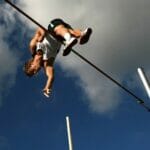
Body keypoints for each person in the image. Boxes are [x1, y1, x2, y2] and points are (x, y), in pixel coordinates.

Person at [24, 27, 61, 97]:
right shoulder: (46, 65)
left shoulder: (33, 47)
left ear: (31, 64)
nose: (36, 72)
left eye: (33, 71)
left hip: (55, 29)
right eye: (34, 73)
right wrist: (47, 87)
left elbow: (39, 29)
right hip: (61, 36)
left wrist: (43, 35)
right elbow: (51, 76)